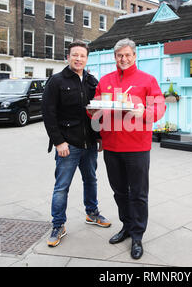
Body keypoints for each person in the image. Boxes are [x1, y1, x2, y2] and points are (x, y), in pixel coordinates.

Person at [89, 38, 166, 260]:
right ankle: (126, 226)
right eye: (119, 56)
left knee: (139, 194)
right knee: (120, 191)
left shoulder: (147, 80)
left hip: (137, 146)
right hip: (112, 146)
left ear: (134, 56)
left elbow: (159, 107)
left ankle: (138, 235)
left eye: (127, 55)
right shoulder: (105, 81)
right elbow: (94, 108)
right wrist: (94, 111)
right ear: (115, 57)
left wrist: (144, 112)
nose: (123, 59)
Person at [42, 40, 111, 248]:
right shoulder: (56, 81)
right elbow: (48, 114)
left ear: (86, 59)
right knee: (61, 187)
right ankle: (58, 225)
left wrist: (99, 137)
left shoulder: (92, 81)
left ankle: (92, 213)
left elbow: (98, 112)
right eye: (75, 55)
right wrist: (58, 141)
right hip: (67, 145)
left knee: (91, 180)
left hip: (89, 143)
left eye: (82, 55)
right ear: (68, 57)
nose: (78, 58)